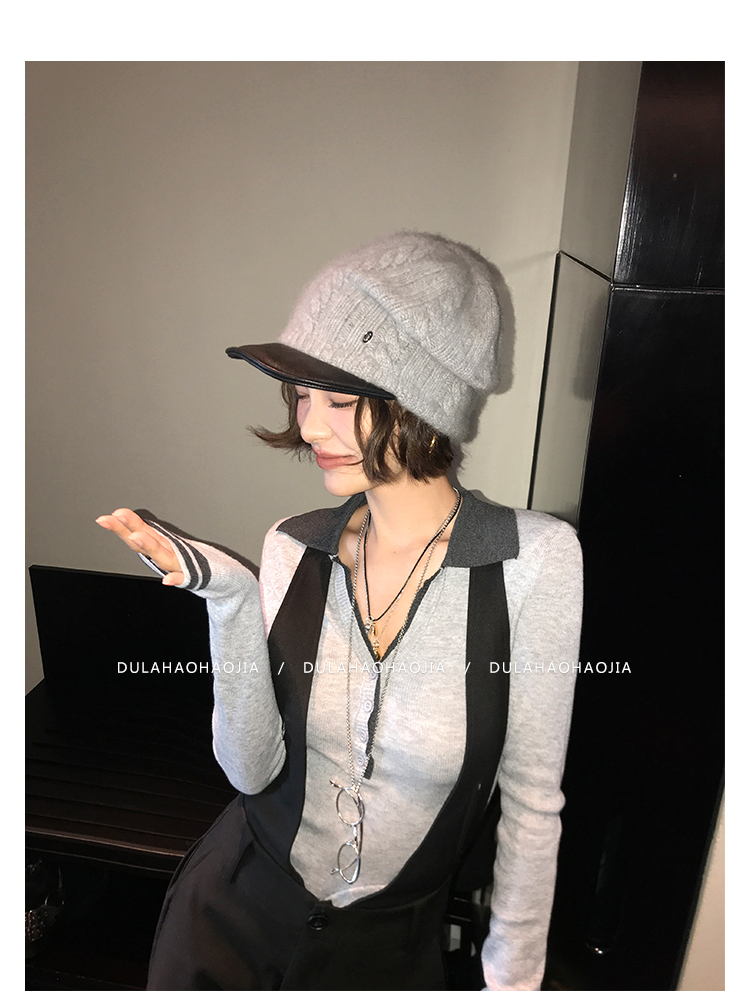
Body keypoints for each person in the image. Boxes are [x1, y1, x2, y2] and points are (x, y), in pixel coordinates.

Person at [95, 231, 582, 991]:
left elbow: (530, 805)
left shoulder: (534, 561)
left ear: (424, 403)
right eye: (301, 395)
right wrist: (229, 601)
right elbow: (250, 772)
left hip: (384, 954)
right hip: (229, 916)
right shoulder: (293, 546)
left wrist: (512, 983)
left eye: (340, 400)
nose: (309, 425)